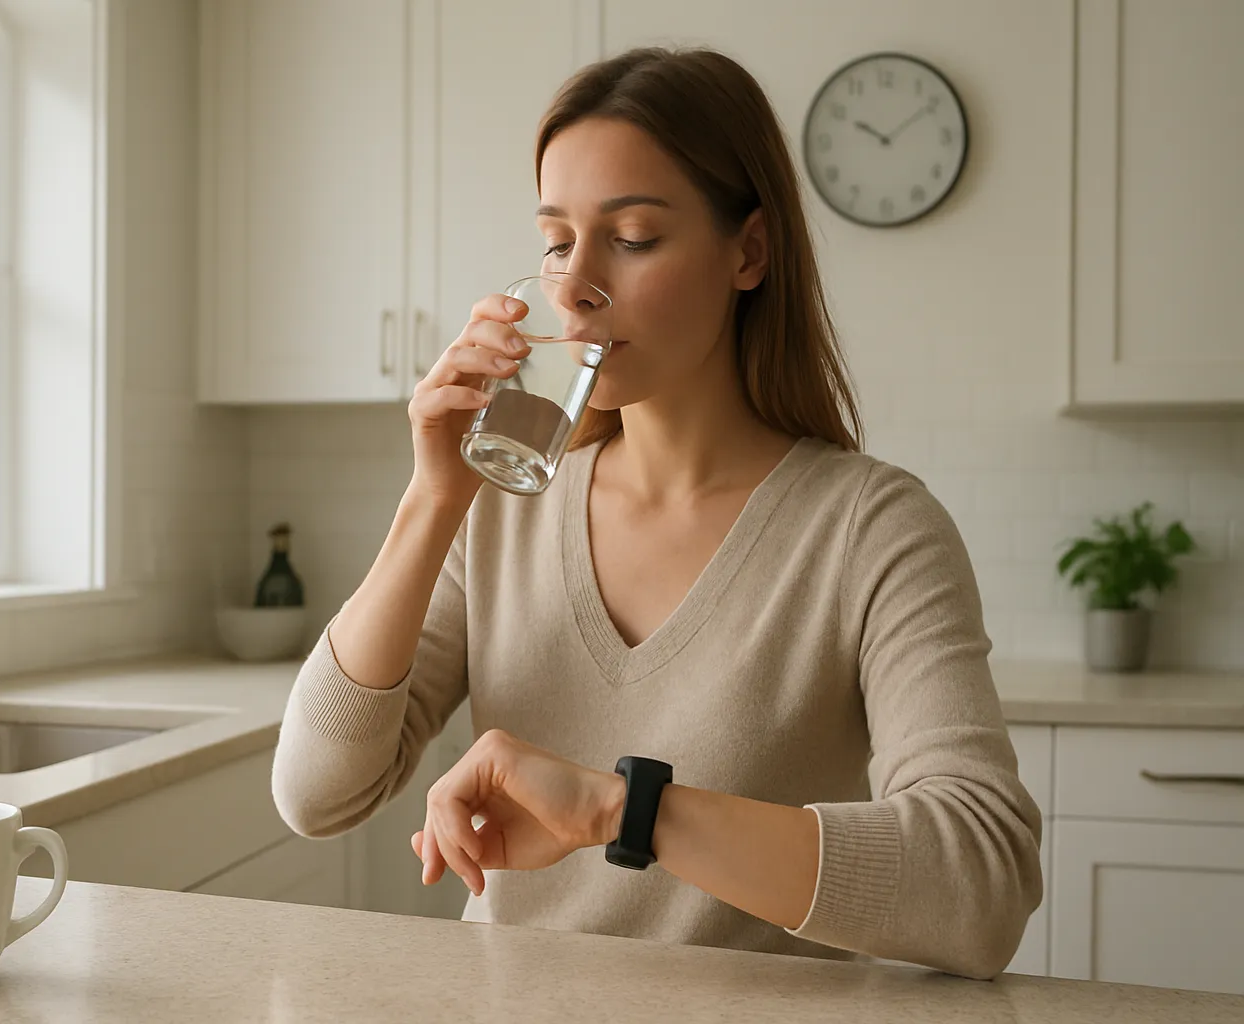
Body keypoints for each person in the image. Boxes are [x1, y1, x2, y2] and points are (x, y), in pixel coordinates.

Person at [271, 46, 1041, 981]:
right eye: (557, 240)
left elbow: (984, 882)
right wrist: (434, 496)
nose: (573, 285)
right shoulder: (505, 510)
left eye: (631, 237)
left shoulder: (871, 530)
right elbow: (315, 795)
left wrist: (624, 811)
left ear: (748, 252)